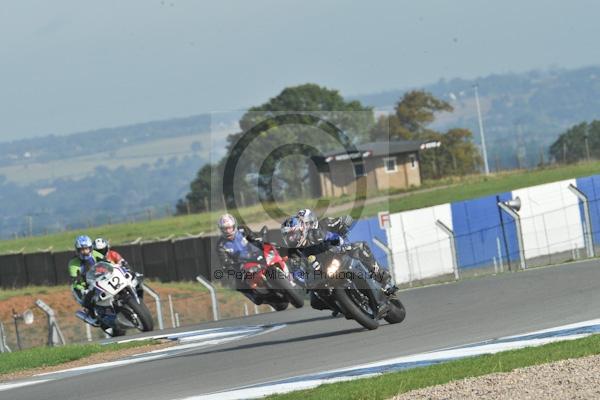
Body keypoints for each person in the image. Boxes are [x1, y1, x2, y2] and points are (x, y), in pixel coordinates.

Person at [289, 209, 396, 294]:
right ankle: (338, 304)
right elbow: (297, 270)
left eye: (307, 223)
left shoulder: (326, 223)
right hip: (324, 271)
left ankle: (383, 279)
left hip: (342, 252)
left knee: (360, 247)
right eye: (303, 226)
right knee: (315, 299)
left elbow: (343, 220)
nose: (306, 227)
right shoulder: (301, 248)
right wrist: (305, 280)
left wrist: (344, 223)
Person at [215, 213, 264, 304]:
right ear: (221, 229)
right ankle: (253, 296)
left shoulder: (243, 230)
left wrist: (258, 238)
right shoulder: (220, 244)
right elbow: (223, 259)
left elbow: (253, 237)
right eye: (225, 229)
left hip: (255, 255)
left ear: (234, 226)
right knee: (238, 283)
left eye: (230, 227)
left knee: (273, 249)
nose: (228, 231)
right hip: (242, 264)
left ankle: (289, 274)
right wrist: (228, 264)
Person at [68, 235, 104, 326]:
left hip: (101, 279)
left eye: (87, 249)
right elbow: (75, 279)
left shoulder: (96, 254)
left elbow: (107, 262)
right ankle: (92, 316)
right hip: (85, 285)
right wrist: (83, 287)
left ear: (91, 248)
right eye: (82, 250)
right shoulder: (73, 263)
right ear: (78, 250)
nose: (85, 252)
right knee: (86, 297)